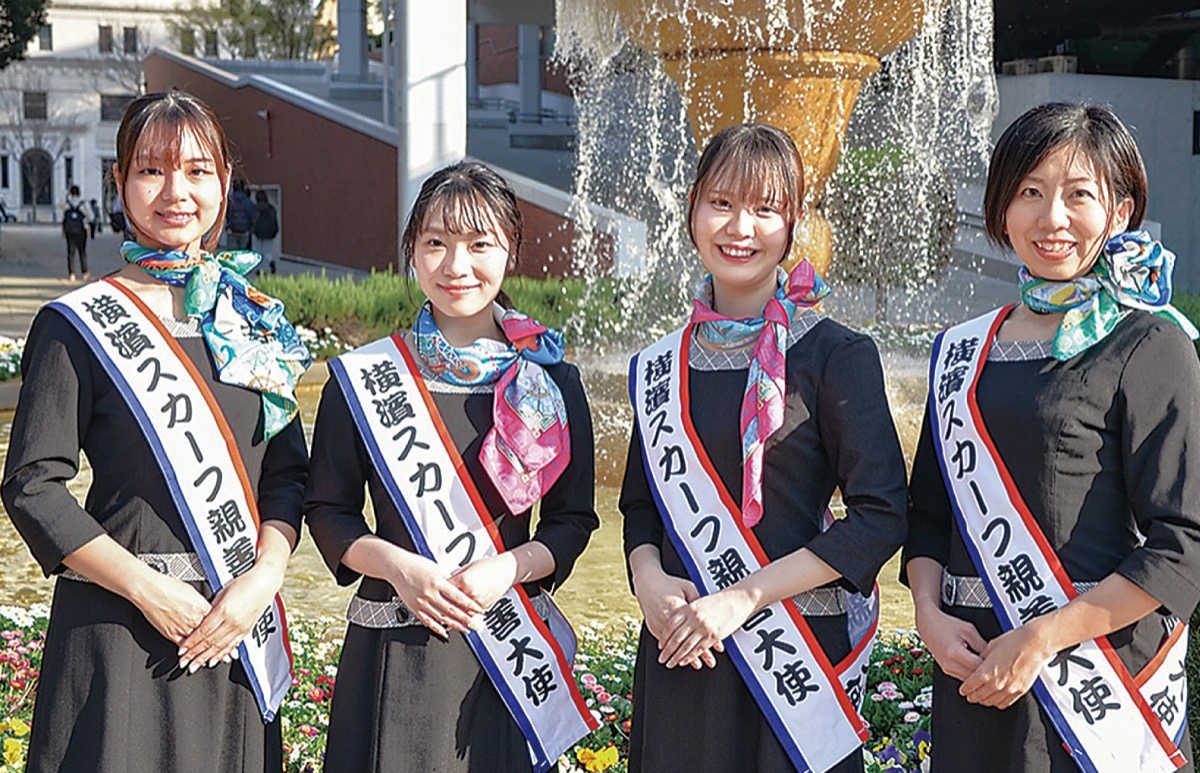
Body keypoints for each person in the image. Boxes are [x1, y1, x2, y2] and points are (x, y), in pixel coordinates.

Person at [1, 90, 312, 773]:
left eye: (199, 170)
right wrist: (148, 588)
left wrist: (264, 576)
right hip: (119, 633)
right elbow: (33, 484)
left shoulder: (255, 323)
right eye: (151, 170)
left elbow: (288, 476)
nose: (176, 191)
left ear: (225, 182)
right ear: (120, 183)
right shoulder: (77, 321)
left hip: (234, 630)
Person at [904, 102, 1200, 773]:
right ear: (1002, 207)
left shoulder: (1150, 341)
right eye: (1030, 192)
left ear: (1121, 211)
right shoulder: (961, 351)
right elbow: (927, 514)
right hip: (974, 669)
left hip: (1098, 677)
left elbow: (1183, 544)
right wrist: (928, 613)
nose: (1052, 218)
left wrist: (1043, 636)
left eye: (1078, 195)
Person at [620, 124, 908, 773]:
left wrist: (742, 598)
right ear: (692, 208)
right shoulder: (661, 365)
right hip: (683, 650)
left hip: (793, 653)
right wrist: (649, 582)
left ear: (793, 222)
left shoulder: (836, 353)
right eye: (722, 203)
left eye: (765, 209)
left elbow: (881, 516)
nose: (739, 227)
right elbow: (640, 507)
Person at [304, 160, 599, 773]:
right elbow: (327, 512)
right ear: (411, 251)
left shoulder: (552, 386)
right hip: (391, 647)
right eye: (435, 243)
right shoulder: (363, 379)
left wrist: (507, 570)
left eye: (478, 243)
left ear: (510, 248)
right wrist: (397, 565)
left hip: (504, 653)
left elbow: (571, 524)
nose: (455, 265)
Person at [62, 184, 90, 280]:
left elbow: (61, 209)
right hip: (81, 231)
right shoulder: (83, 204)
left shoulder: (67, 204)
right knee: (82, 252)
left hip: (69, 231)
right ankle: (84, 272)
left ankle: (72, 273)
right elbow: (90, 216)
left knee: (71, 252)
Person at [252, 189, 279, 274]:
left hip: (258, 232)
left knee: (258, 251)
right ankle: (271, 262)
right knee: (268, 251)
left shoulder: (256, 208)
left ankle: (260, 269)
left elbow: (254, 220)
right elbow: (274, 220)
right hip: (269, 232)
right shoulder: (271, 208)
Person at [224, 179, 255, 250]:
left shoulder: (230, 201)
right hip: (244, 231)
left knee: (232, 254)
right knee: (242, 254)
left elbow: (226, 213)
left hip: (232, 230)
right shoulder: (247, 201)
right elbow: (251, 214)